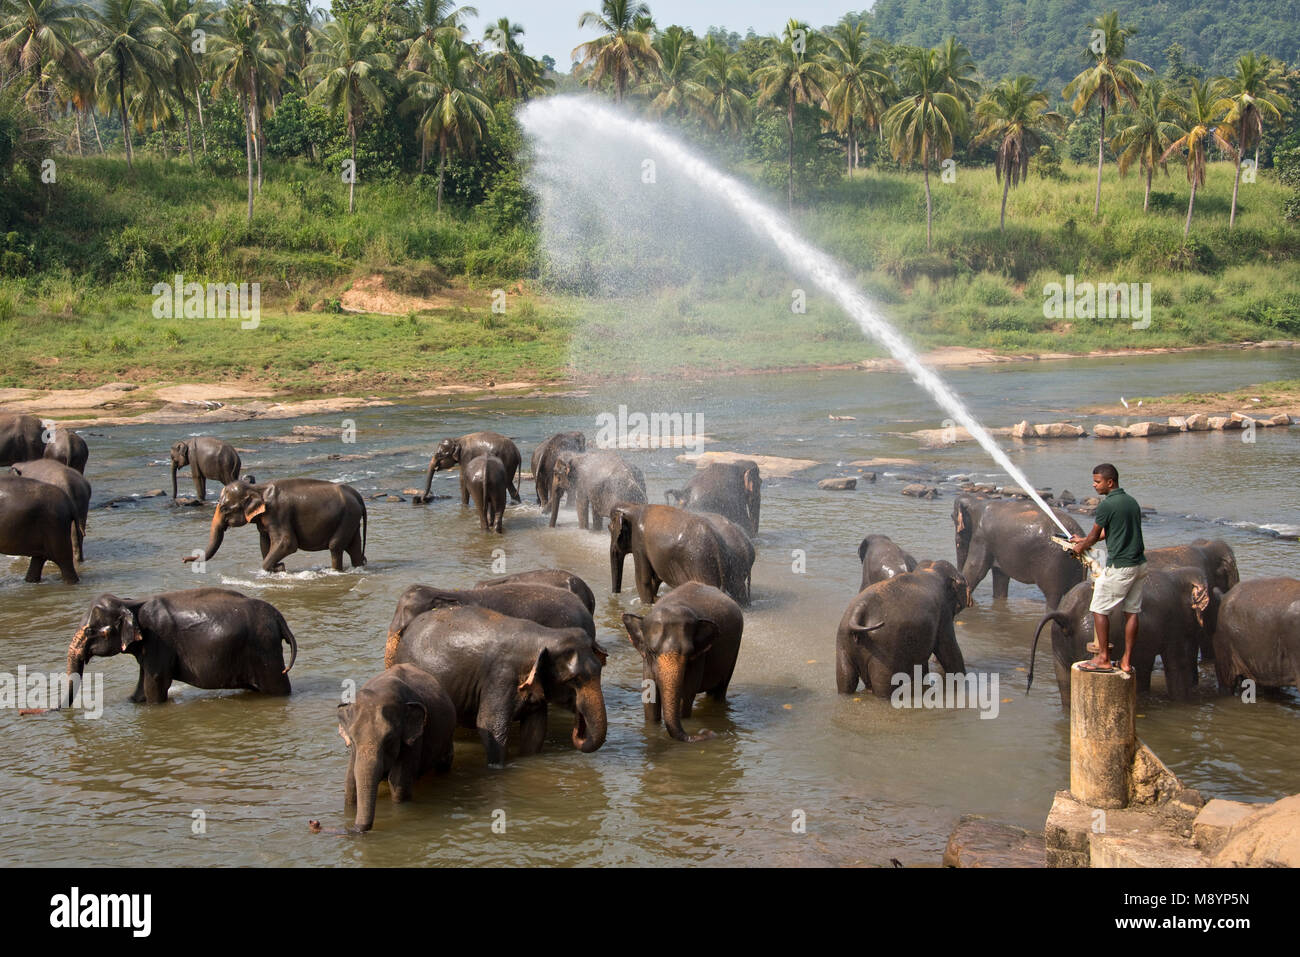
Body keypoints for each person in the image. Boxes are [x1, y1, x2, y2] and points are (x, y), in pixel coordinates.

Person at [1069, 463, 1146, 674]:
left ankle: (1103, 658)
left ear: (1109, 482)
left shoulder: (1107, 505)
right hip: (1140, 565)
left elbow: (1095, 535)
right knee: (1131, 612)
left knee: (1098, 609)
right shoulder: (1131, 502)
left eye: (1097, 481)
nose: (1094, 485)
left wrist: (1080, 547)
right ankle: (1126, 662)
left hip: (1121, 567)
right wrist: (1084, 540)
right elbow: (1112, 532)